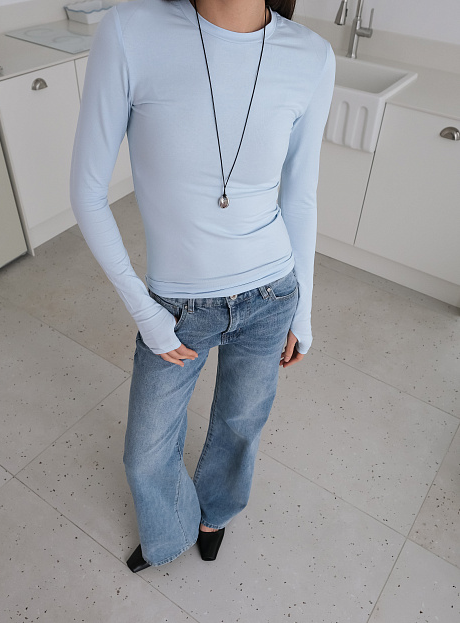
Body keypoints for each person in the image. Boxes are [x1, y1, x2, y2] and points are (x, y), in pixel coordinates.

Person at [69, 0, 335, 570]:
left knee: (241, 425)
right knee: (145, 455)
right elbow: (87, 194)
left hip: (271, 294)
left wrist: (303, 309)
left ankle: (215, 513)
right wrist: (145, 311)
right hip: (176, 306)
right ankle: (170, 533)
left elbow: (300, 196)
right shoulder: (132, 32)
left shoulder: (311, 55)